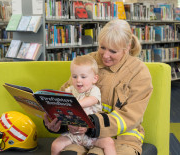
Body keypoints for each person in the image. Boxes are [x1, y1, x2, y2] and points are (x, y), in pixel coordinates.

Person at [44, 19, 153, 155]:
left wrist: (91, 125)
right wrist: (58, 122)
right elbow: (66, 98)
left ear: (127, 48)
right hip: (80, 135)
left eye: (113, 51)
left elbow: (130, 116)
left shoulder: (139, 72)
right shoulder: (88, 61)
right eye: (102, 47)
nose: (105, 55)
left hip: (121, 137)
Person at [50, 55, 117, 155]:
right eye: (74, 76)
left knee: (109, 142)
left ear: (94, 78)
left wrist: (75, 104)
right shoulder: (69, 90)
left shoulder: (94, 90)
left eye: (83, 77)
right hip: (73, 133)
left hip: (92, 135)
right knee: (55, 145)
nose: (78, 80)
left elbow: (93, 100)